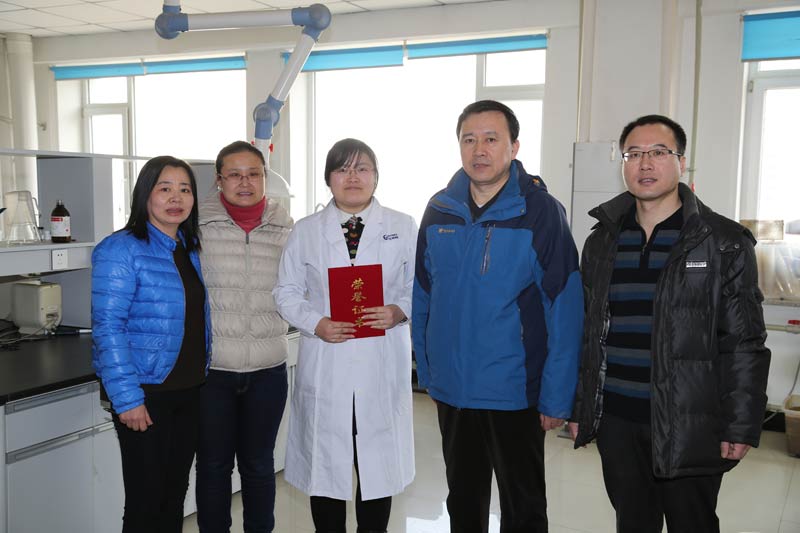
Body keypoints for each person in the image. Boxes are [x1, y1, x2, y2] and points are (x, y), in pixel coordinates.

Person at [569, 114, 771, 533]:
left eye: (659, 152)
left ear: (681, 162)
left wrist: (741, 423)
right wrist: (580, 407)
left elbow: (744, 341)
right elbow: (586, 332)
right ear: (623, 164)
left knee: (692, 523)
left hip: (691, 422)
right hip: (617, 421)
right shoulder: (602, 240)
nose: (645, 163)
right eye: (634, 154)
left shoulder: (722, 241)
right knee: (632, 523)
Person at [411, 100, 584, 532]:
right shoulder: (439, 209)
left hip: (514, 390)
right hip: (453, 389)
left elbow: (564, 309)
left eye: (491, 138)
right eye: (469, 140)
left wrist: (556, 397)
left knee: (523, 508)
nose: (479, 150)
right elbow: (423, 296)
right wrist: (428, 372)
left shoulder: (540, 212)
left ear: (514, 146)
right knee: (463, 502)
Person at [273, 138, 416, 533]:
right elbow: (285, 291)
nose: (353, 177)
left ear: (376, 177)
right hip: (327, 363)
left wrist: (397, 310)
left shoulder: (402, 226)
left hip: (380, 362)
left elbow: (422, 286)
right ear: (328, 179)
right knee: (326, 467)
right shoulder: (306, 231)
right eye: (342, 169)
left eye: (362, 168)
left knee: (377, 466)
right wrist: (315, 321)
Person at [92, 155, 211, 533]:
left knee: (173, 496)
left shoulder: (187, 247)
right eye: (165, 188)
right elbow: (108, 327)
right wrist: (127, 399)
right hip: (146, 392)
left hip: (188, 390)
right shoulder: (120, 249)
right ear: (145, 194)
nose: (176, 198)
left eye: (185, 189)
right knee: (145, 502)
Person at [194, 141, 293, 533]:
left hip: (268, 369)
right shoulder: (196, 225)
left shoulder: (287, 228)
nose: (245, 182)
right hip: (212, 371)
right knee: (213, 467)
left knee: (259, 466)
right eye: (234, 175)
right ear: (219, 180)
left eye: (253, 174)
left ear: (265, 177)